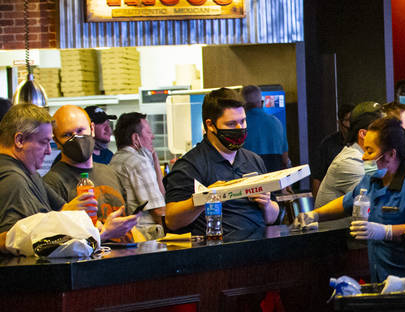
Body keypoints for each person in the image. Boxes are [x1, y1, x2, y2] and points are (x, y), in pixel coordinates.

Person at [306, 116, 405, 282]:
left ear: (390, 154)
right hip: (379, 278)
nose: (364, 157)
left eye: (370, 151)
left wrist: (387, 231)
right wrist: (315, 215)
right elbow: (347, 202)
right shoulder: (373, 178)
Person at [0, 103, 137, 249]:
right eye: (43, 142)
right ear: (20, 140)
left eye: (80, 130)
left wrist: (86, 222)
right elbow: (10, 242)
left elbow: (63, 210)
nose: (48, 151)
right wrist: (102, 234)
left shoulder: (31, 174)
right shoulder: (12, 179)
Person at [163, 87, 281, 237]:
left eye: (243, 121)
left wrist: (267, 204)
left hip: (259, 243)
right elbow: (172, 220)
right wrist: (204, 198)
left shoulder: (253, 160)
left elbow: (272, 218)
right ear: (210, 125)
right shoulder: (190, 166)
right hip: (218, 246)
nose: (240, 128)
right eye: (231, 124)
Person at [43, 106, 128, 227]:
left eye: (80, 131)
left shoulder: (110, 173)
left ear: (92, 129)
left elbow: (128, 219)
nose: (76, 139)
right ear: (56, 141)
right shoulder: (51, 183)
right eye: (67, 135)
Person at [315, 101, 385, 207]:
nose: (389, 135)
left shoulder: (367, 158)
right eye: (383, 130)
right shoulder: (351, 162)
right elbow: (376, 206)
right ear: (364, 134)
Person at [110, 112, 167, 233]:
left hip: (126, 233)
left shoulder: (114, 160)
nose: (152, 137)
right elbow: (158, 211)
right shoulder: (138, 162)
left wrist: (154, 159)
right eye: (148, 132)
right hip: (146, 234)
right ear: (136, 138)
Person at [240, 85, 290, 172]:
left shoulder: (240, 125)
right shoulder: (276, 122)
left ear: (244, 105)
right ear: (261, 102)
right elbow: (285, 158)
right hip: (275, 173)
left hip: (250, 174)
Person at [311, 102, 353, 196]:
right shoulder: (328, 144)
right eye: (347, 120)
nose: (351, 125)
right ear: (339, 123)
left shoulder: (361, 141)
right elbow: (317, 178)